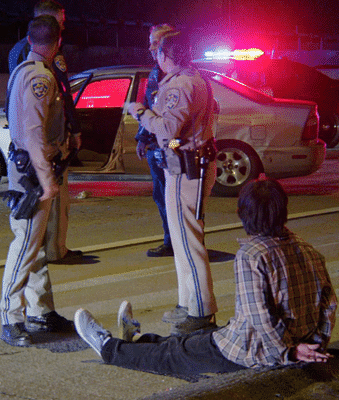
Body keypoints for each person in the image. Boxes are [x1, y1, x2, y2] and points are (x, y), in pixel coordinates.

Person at [74, 178, 338, 376]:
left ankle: (108, 346)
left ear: (243, 215)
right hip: (275, 341)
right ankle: (135, 340)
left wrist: (288, 351)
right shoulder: (307, 249)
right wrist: (315, 345)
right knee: (184, 343)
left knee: (172, 355)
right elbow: (329, 304)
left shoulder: (252, 255)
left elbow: (259, 315)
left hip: (251, 350)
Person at [127, 31, 218, 335]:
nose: (156, 58)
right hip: (192, 164)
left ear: (166, 56)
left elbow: (166, 129)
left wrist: (140, 112)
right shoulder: (194, 78)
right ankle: (188, 303)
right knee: (182, 241)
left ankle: (201, 311)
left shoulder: (180, 85)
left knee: (189, 242)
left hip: (185, 168)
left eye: (158, 53)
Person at [0, 15, 74, 347]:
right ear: (57, 42)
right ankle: (11, 317)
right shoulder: (39, 78)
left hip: (28, 169)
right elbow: (32, 134)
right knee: (25, 248)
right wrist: (48, 182)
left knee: (34, 248)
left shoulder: (23, 70)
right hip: (32, 173)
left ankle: (41, 312)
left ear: (29, 40)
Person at [9, 0, 82, 263]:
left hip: (37, 145)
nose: (64, 24)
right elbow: (60, 94)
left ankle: (50, 251)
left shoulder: (19, 53)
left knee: (44, 217)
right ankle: (52, 250)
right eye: (60, 20)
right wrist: (73, 129)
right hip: (42, 147)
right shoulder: (39, 62)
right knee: (45, 209)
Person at [134, 24, 176, 258]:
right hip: (159, 148)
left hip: (174, 149)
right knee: (162, 197)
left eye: (156, 42)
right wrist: (143, 138)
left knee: (175, 199)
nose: (150, 47)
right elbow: (150, 105)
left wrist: (139, 114)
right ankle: (171, 241)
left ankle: (181, 242)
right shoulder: (156, 72)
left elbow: (176, 134)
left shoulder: (180, 79)